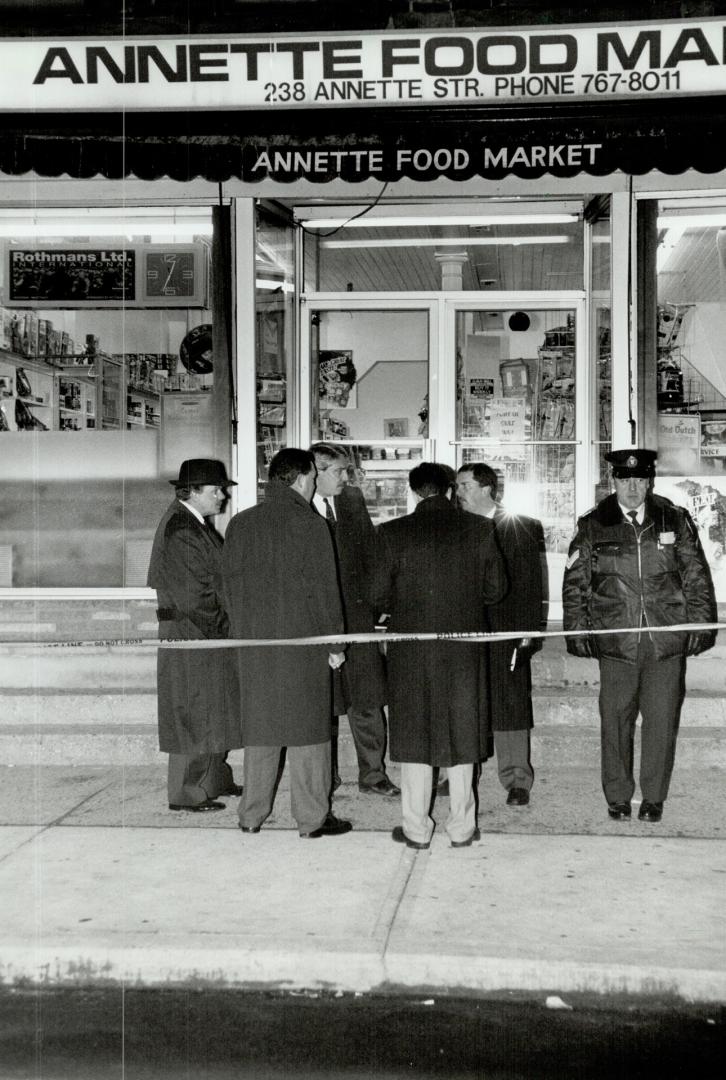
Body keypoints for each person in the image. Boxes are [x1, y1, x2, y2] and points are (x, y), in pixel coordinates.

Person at [562, 448, 717, 823]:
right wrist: (577, 628)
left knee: (661, 721)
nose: (632, 487)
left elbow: (695, 574)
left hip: (665, 640)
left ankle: (653, 798)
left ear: (649, 481)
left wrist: (700, 624)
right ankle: (617, 795)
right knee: (615, 720)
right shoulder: (594, 524)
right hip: (617, 640)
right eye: (624, 479)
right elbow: (576, 581)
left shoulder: (674, 519)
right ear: (612, 481)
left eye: (639, 480)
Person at [373, 462, 507, 849]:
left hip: (411, 650)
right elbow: (496, 589)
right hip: (463, 648)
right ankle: (462, 827)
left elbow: (378, 594)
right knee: (462, 731)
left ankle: (416, 829)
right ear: (450, 489)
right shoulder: (481, 529)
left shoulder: (392, 532)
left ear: (414, 491)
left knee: (414, 732)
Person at [222, 448, 352, 839]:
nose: (314, 485)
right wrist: (336, 643)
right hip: (303, 645)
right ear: (300, 478)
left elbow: (227, 586)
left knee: (260, 731)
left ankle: (251, 815)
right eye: (312, 477)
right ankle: (311, 819)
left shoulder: (241, 524)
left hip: (254, 645)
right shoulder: (311, 525)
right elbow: (326, 592)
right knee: (308, 733)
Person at [147, 458, 242, 812]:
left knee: (212, 710)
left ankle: (213, 780)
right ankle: (187, 793)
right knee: (192, 713)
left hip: (201, 634)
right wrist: (226, 631)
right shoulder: (182, 529)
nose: (222, 496)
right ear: (195, 491)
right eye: (216, 489)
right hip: (194, 636)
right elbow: (194, 599)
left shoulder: (191, 523)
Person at [309, 442, 399, 798]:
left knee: (367, 699)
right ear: (314, 472)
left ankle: (374, 774)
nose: (347, 478)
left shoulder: (352, 502)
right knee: (321, 703)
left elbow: (372, 554)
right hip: (317, 623)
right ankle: (324, 776)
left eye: (348, 470)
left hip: (357, 618)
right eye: (339, 471)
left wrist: (376, 604)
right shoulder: (297, 510)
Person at [456, 463, 548, 807]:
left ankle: (516, 780)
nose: (458, 492)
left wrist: (528, 635)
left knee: (510, 706)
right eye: (457, 485)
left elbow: (531, 586)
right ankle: (462, 775)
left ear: (486, 489)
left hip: (508, 632)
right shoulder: (458, 527)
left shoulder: (521, 528)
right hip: (467, 632)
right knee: (466, 704)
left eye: (464, 485)